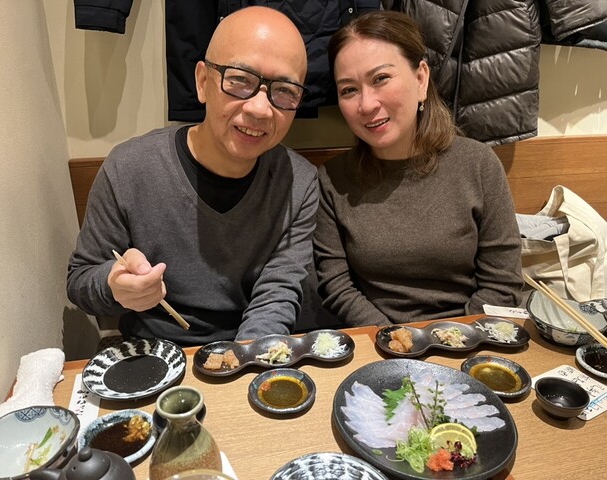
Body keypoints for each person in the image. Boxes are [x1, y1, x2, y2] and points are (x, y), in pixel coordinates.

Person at [67, 6, 318, 346]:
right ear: (202, 82)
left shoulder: (299, 182)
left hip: (251, 349)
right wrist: (115, 285)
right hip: (154, 354)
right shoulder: (129, 168)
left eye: (285, 90)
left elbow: (277, 295)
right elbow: (81, 280)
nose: (260, 109)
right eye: (239, 80)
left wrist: (239, 361)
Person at [314, 10, 524, 326]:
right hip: (377, 340)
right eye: (349, 90)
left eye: (380, 79)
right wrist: (395, 339)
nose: (366, 104)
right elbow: (337, 286)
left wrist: (455, 338)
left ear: (421, 78)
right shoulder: (333, 179)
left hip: (472, 336)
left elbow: (502, 283)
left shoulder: (478, 164)